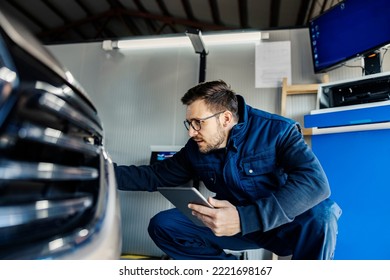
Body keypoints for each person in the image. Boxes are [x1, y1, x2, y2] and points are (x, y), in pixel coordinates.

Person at [114, 80, 342, 260]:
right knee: (164, 225)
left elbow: (315, 183)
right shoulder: (196, 148)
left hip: (281, 226)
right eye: (189, 124)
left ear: (225, 118)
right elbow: (154, 175)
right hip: (229, 227)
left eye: (197, 122)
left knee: (323, 212)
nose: (191, 132)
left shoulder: (278, 131)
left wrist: (245, 219)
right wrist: (101, 172)